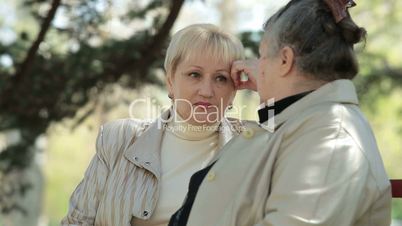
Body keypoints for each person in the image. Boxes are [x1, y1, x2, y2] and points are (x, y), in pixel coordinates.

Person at [168, 0, 392, 225]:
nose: (255, 66)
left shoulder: (332, 137)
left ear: (285, 60)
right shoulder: (309, 122)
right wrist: (270, 91)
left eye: (262, 55)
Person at [61, 23, 245, 226]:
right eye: (195, 74)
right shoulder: (119, 139)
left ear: (234, 89)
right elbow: (76, 222)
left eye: (221, 78)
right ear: (170, 81)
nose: (207, 91)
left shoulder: (253, 147)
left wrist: (263, 84)